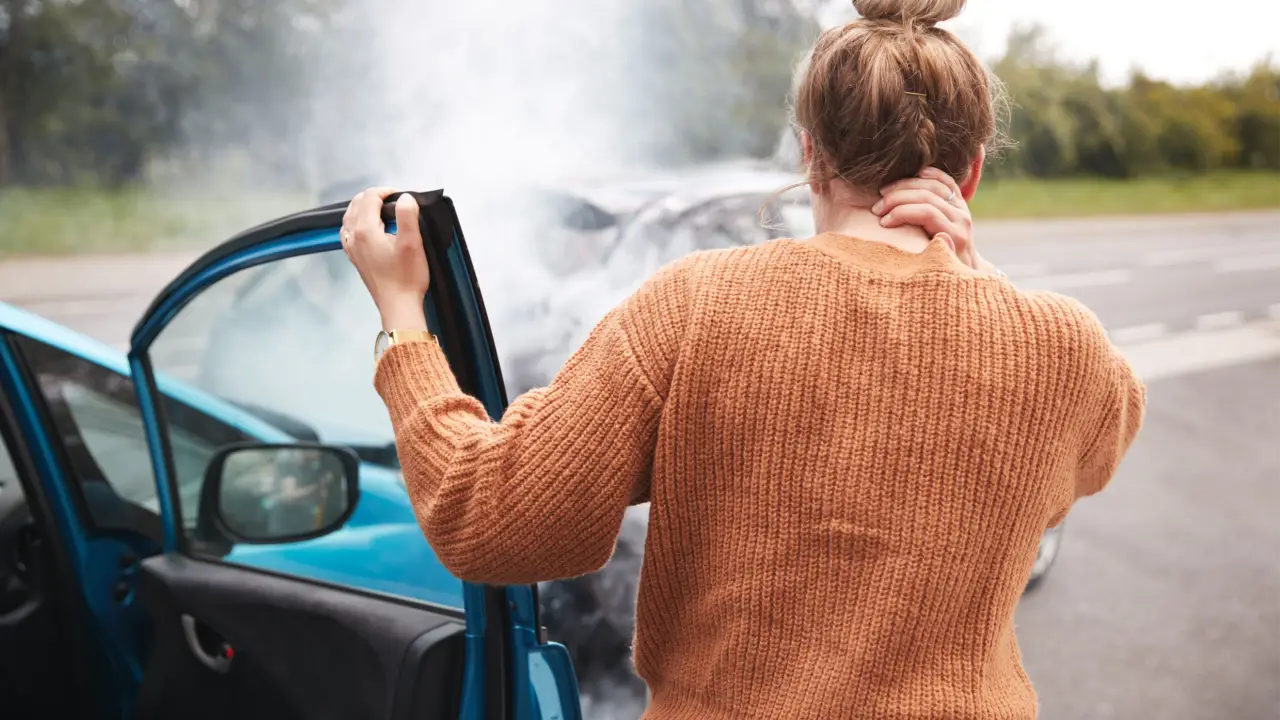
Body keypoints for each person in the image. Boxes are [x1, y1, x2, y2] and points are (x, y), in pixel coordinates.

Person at [340, 0, 1146, 716]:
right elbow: (1106, 437)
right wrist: (975, 275)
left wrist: (405, 322)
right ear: (969, 173)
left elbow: (491, 520)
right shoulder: (1062, 348)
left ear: (809, 155)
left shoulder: (695, 304)